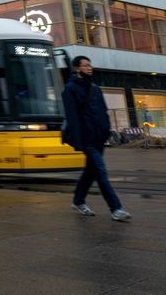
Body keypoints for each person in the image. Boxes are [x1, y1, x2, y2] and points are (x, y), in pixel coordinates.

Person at [61, 56, 131, 222]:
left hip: (99, 137)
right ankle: (116, 208)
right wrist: (79, 142)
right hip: (87, 139)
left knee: (90, 171)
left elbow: (103, 112)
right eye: (85, 65)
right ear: (77, 69)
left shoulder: (95, 88)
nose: (89, 68)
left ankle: (78, 201)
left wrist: (106, 130)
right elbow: (72, 118)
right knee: (100, 171)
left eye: (90, 65)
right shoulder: (70, 89)